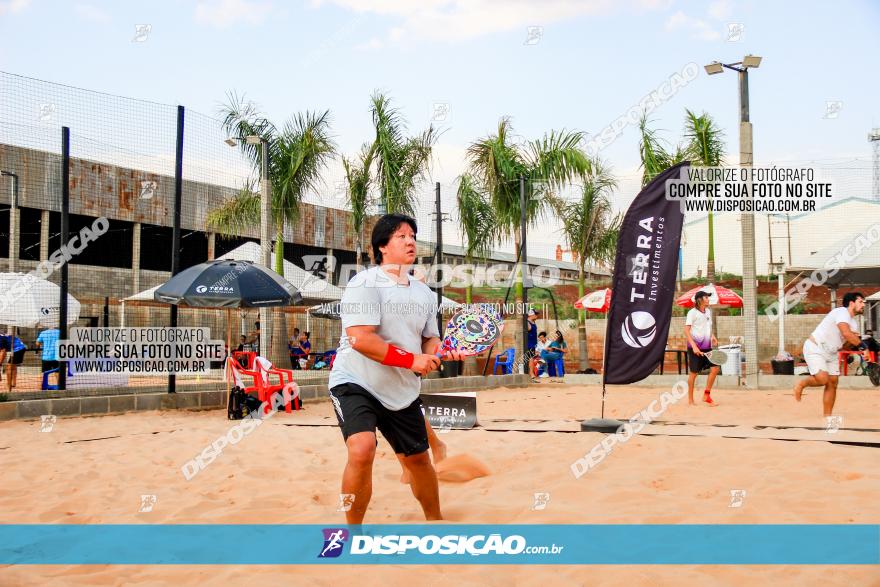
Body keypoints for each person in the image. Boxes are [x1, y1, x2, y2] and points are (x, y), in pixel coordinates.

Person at [328, 213, 463, 524]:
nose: (410, 240)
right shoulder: (364, 283)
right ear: (383, 247)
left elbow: (430, 339)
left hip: (400, 389)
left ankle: (435, 520)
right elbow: (360, 339)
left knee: (418, 460)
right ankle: (352, 533)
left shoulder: (424, 293)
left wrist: (441, 352)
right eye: (401, 236)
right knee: (361, 450)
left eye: (413, 235)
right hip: (355, 380)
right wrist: (412, 360)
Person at [794, 292, 868, 416]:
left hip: (832, 353)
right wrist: (863, 346)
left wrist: (853, 342)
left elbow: (844, 344)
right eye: (860, 302)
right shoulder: (841, 312)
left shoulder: (854, 324)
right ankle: (802, 384)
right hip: (816, 347)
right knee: (823, 379)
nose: (863, 305)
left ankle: (827, 417)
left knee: (833, 383)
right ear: (851, 303)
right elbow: (845, 333)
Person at [685, 290, 720, 406]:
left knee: (715, 368)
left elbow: (707, 327)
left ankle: (706, 395)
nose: (708, 299)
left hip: (707, 346)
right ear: (700, 299)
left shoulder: (708, 312)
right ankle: (690, 400)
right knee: (694, 373)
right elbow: (686, 330)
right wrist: (694, 347)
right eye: (706, 297)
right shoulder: (692, 313)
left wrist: (712, 336)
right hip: (695, 347)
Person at [525, 309, 541, 380]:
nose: (537, 315)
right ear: (531, 314)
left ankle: (530, 373)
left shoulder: (533, 322)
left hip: (533, 343)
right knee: (530, 358)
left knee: (531, 358)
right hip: (529, 344)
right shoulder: (527, 322)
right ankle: (531, 374)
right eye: (536, 314)